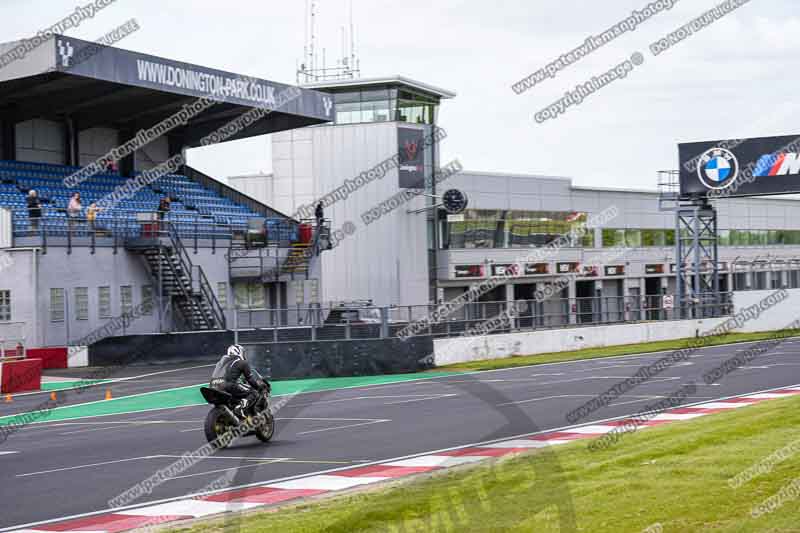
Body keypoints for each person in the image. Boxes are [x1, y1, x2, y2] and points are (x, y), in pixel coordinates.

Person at [209, 344, 270, 417]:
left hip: (213, 386)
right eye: (243, 353)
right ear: (238, 352)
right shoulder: (242, 362)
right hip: (228, 385)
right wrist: (258, 387)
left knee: (236, 392)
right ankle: (240, 408)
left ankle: (232, 410)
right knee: (253, 393)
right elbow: (250, 379)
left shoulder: (220, 362)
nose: (244, 355)